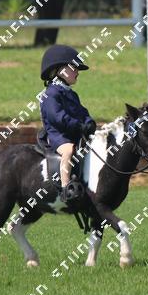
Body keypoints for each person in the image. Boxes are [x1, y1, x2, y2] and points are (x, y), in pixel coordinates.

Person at [39, 44, 97, 204]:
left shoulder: (72, 94)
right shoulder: (50, 94)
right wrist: (78, 125)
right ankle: (66, 188)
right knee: (69, 150)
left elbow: (82, 112)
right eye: (74, 68)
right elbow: (58, 117)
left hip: (74, 134)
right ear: (59, 70)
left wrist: (89, 122)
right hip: (59, 136)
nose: (77, 72)